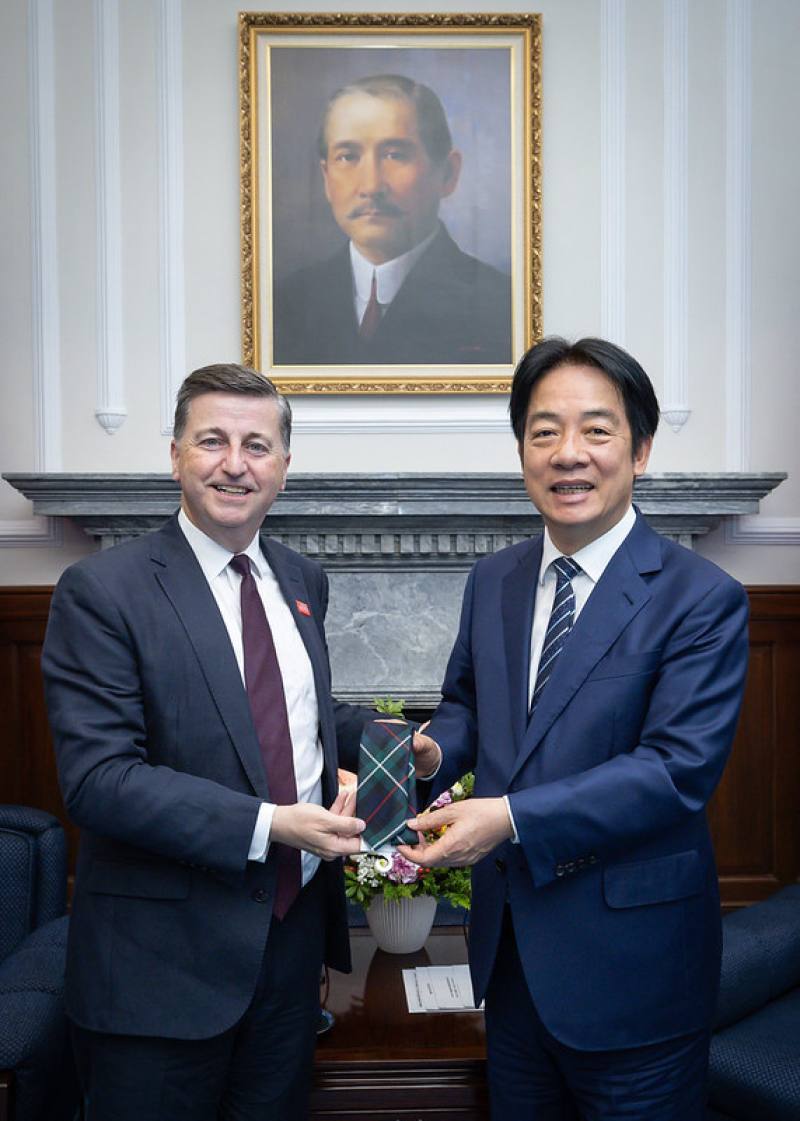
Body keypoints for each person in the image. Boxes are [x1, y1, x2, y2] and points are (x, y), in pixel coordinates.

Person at [41, 364, 410, 1120]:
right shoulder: (104, 590)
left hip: (288, 958)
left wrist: (405, 745)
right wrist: (271, 823)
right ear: (175, 454)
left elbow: (294, 714)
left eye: (256, 444)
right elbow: (100, 780)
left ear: (283, 468)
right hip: (158, 974)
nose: (234, 463)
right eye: (212, 440)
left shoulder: (302, 578)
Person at [400, 337, 750, 1120]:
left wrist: (510, 817)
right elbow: (468, 706)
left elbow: (673, 771)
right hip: (515, 963)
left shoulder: (701, 598)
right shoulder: (494, 577)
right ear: (522, 449)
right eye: (544, 430)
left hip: (637, 975)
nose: (569, 454)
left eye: (597, 430)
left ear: (641, 449)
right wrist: (432, 748)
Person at [273, 73, 512, 366]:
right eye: (348, 157)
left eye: (395, 155)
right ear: (326, 178)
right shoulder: (284, 304)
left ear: (448, 174)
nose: (371, 186)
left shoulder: (500, 305)